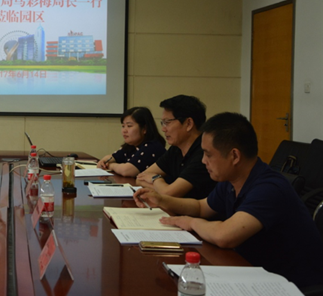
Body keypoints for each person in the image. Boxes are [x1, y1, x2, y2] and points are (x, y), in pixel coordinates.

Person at [134, 112, 323, 289]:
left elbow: (224, 235)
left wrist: (190, 222)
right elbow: (201, 207)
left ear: (234, 156)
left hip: (292, 286)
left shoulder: (269, 188)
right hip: (255, 273)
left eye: (208, 154)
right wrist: (162, 200)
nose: (203, 161)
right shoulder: (232, 180)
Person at [136, 95, 216, 199]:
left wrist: (156, 179)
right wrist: (163, 188)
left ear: (188, 124)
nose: (163, 129)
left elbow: (169, 194)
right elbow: (140, 178)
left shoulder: (203, 153)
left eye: (167, 122)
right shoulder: (176, 149)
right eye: (163, 123)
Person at [96, 107, 166, 176]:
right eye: (123, 126)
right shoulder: (131, 146)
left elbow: (126, 170)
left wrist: (110, 166)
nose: (124, 130)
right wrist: (103, 161)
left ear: (144, 129)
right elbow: (113, 157)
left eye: (129, 126)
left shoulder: (152, 147)